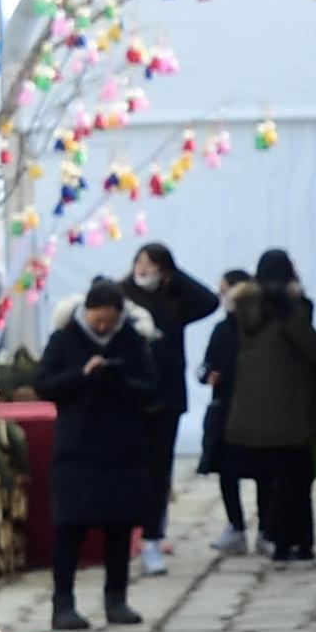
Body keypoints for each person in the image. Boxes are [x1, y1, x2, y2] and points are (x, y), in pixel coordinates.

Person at [32, 277, 159, 632]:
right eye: (96, 320)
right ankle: (63, 604)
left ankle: (116, 599)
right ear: (85, 313)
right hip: (76, 449)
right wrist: (81, 376)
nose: (101, 327)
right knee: (69, 529)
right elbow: (44, 385)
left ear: (119, 317)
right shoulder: (64, 339)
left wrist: (117, 380)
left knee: (119, 528)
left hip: (122, 450)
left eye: (108, 321)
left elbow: (149, 389)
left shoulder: (132, 341)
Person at [223, 249, 316, 562]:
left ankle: (276, 539)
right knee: (297, 475)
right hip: (292, 407)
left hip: (253, 410)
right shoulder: (294, 308)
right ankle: (298, 541)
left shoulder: (242, 311)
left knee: (271, 477)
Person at [123, 244, 218, 576]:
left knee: (159, 470)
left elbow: (210, 301)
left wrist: (175, 277)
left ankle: (152, 537)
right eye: (139, 262)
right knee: (130, 468)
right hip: (130, 397)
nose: (143, 269)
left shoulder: (175, 301)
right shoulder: (123, 297)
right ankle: (127, 534)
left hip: (166, 396)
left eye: (152, 264)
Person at [199, 267, 252, 550]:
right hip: (224, 410)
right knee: (227, 471)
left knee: (263, 471)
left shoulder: (258, 326)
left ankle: (267, 525)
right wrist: (208, 373)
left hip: (254, 407)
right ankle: (236, 524)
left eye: (225, 291)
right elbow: (207, 364)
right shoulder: (222, 329)